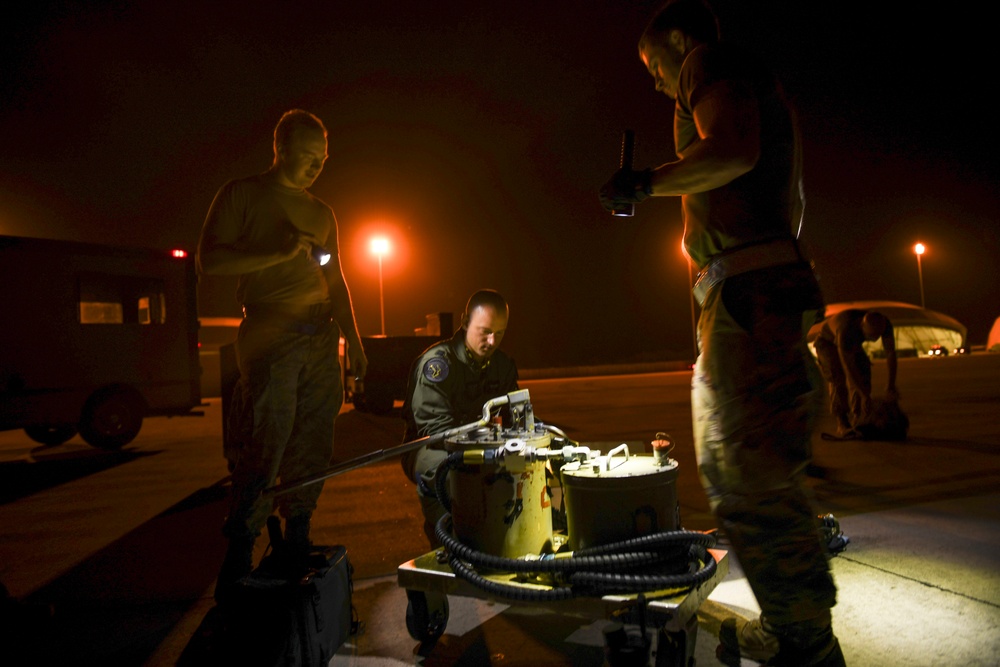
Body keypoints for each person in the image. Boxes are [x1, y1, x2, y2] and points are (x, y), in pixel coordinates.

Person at [599, 2, 845, 665]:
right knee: (750, 469)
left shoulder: (707, 63)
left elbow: (733, 150)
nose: (656, 82)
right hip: (757, 290)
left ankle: (808, 642)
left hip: (750, 294)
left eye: (655, 64)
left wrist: (647, 181)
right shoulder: (759, 85)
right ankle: (799, 623)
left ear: (680, 43)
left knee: (747, 474)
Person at [197, 109, 368, 601]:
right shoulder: (242, 195)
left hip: (320, 336)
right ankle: (240, 549)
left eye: (323, 158)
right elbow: (211, 261)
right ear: (282, 149)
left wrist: (352, 341)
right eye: (309, 156)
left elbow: (336, 279)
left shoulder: (322, 212)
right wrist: (276, 253)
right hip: (272, 332)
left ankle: (297, 534)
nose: (317, 166)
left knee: (313, 441)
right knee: (266, 440)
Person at [399, 289, 518, 546]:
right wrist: (489, 446)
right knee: (459, 480)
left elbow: (517, 415)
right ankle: (446, 545)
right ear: (465, 322)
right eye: (485, 331)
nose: (492, 340)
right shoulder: (438, 365)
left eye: (500, 333)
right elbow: (435, 429)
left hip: (482, 448)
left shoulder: (502, 365)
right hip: (430, 449)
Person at [812, 309, 898, 437]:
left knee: (864, 370)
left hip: (853, 343)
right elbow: (848, 367)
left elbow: (890, 353)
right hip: (827, 342)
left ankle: (858, 418)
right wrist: (863, 395)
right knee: (837, 377)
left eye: (877, 336)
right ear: (862, 325)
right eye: (870, 336)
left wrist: (891, 384)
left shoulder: (884, 324)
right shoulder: (846, 329)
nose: (874, 340)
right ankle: (842, 423)